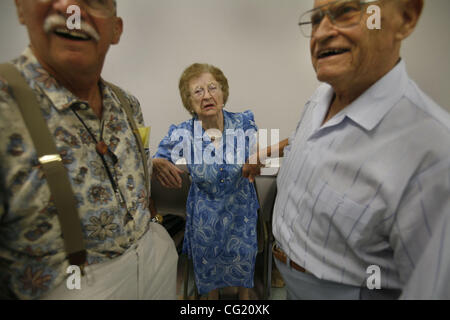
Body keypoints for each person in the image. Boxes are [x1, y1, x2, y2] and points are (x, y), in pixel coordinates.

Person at [245, 0, 450, 299]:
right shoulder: (321, 97)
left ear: (405, 17)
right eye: (316, 20)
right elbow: (304, 138)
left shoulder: (433, 154)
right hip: (289, 279)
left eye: (346, 12)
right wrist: (265, 155)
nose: (322, 32)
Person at [0, 0, 177, 299]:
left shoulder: (127, 103)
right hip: (72, 283)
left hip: (153, 257)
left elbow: (137, 174)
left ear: (116, 30)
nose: (71, 8)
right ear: (20, 8)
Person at [153, 63, 259, 300]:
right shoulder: (183, 132)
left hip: (240, 211)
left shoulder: (244, 123)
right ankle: (211, 299)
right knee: (207, 265)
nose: (207, 95)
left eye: (212, 88)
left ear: (223, 92)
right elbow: (158, 157)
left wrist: (257, 158)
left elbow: (256, 156)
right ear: (189, 102)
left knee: (243, 258)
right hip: (205, 216)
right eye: (198, 91)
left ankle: (244, 298)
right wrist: (155, 162)